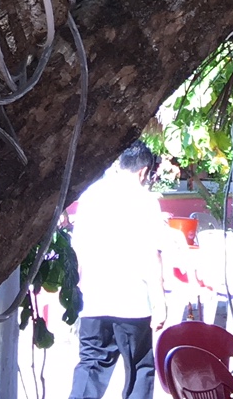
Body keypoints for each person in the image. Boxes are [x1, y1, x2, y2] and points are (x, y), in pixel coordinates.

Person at [67, 141, 166, 399]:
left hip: (94, 300)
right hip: (133, 303)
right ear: (144, 171)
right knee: (139, 368)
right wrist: (159, 303)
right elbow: (152, 255)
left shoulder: (91, 196)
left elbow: (78, 249)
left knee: (90, 366)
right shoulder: (146, 201)